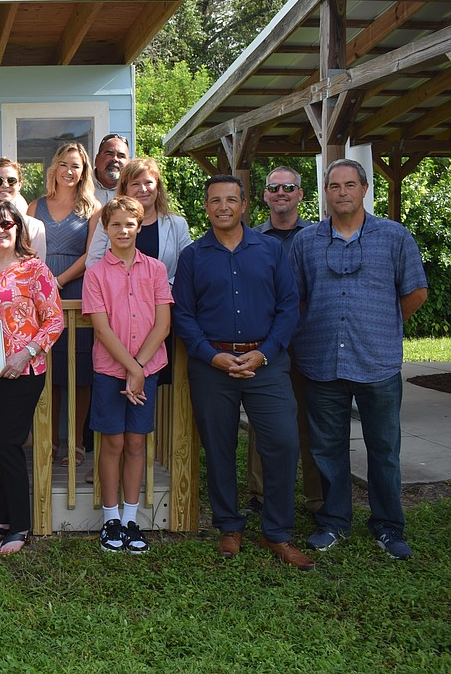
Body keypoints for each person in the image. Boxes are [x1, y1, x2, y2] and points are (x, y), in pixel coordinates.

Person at [172, 174, 314, 570]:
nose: (222, 207)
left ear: (244, 205)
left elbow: (289, 306)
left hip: (265, 364)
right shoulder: (193, 256)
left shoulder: (270, 250)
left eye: (230, 200)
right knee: (218, 448)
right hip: (212, 365)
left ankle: (277, 532)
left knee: (283, 444)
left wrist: (265, 353)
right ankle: (229, 526)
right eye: (215, 200)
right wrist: (208, 354)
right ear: (206, 206)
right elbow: (182, 313)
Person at [291, 159, 428, 560]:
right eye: (334, 186)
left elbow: (415, 291)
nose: (342, 192)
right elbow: (295, 299)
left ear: (364, 189)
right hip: (321, 360)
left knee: (383, 448)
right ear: (326, 192)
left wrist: (384, 324)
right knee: (327, 448)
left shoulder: (394, 237)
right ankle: (334, 522)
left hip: (377, 361)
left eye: (350, 184)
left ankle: (388, 526)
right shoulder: (307, 241)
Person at [0, 201, 64, 556]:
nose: (0, 230)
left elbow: (54, 320)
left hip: (22, 371)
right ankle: (2, 522)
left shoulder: (35, 270)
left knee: (7, 443)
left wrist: (26, 353)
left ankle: (20, 525)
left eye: (6, 224)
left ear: (18, 227)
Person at [83, 197, 172, 553]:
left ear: (139, 227)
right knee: (113, 442)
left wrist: (139, 370)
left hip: (147, 368)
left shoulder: (155, 270)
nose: (123, 230)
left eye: (129, 224)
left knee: (136, 442)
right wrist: (131, 369)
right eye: (116, 224)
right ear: (106, 229)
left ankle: (132, 518)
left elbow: (163, 324)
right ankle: (111, 519)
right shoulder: (97, 273)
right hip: (110, 370)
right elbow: (102, 329)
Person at [245, 166, 320, 517]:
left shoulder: (319, 237)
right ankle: (260, 494)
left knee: (310, 420)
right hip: (266, 342)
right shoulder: (252, 239)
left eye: (289, 187)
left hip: (308, 340)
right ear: (265, 196)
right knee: (264, 422)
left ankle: (316, 497)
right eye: (274, 188)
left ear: (300, 194)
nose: (281, 193)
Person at [27, 142, 99, 466]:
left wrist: (59, 281)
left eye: (77, 166)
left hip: (75, 291)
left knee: (80, 370)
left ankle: (77, 440)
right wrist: (42, 286)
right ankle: (52, 439)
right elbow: (25, 251)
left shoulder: (92, 209)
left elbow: (91, 254)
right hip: (39, 296)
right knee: (51, 368)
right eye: (65, 164)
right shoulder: (34, 206)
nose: (70, 171)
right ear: (54, 167)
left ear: (84, 173)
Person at [85, 157, 191, 283]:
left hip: (163, 298)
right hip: (117, 298)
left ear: (158, 187)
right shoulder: (107, 221)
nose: (143, 189)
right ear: (125, 190)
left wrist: (167, 287)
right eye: (135, 184)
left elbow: (188, 266)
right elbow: (93, 262)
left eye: (148, 182)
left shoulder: (177, 225)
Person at [92, 133, 130, 205]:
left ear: (128, 163)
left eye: (121, 156)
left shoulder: (136, 190)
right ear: (96, 160)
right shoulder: (81, 186)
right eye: (109, 154)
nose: (115, 159)